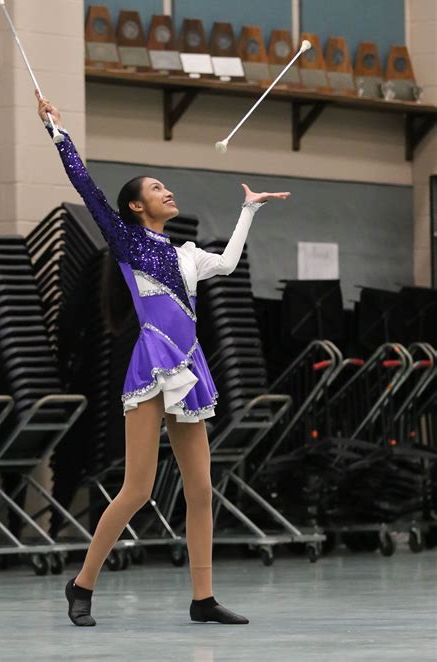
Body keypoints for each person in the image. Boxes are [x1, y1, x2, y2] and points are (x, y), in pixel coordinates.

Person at [36, 90, 290, 626]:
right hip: (152, 363)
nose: (166, 191)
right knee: (138, 489)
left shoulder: (185, 254)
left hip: (190, 364)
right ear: (136, 206)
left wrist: (249, 209)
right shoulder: (127, 240)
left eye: (166, 186)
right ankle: (81, 585)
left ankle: (203, 599)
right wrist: (56, 131)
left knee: (201, 489)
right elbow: (84, 183)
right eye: (157, 188)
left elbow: (226, 263)